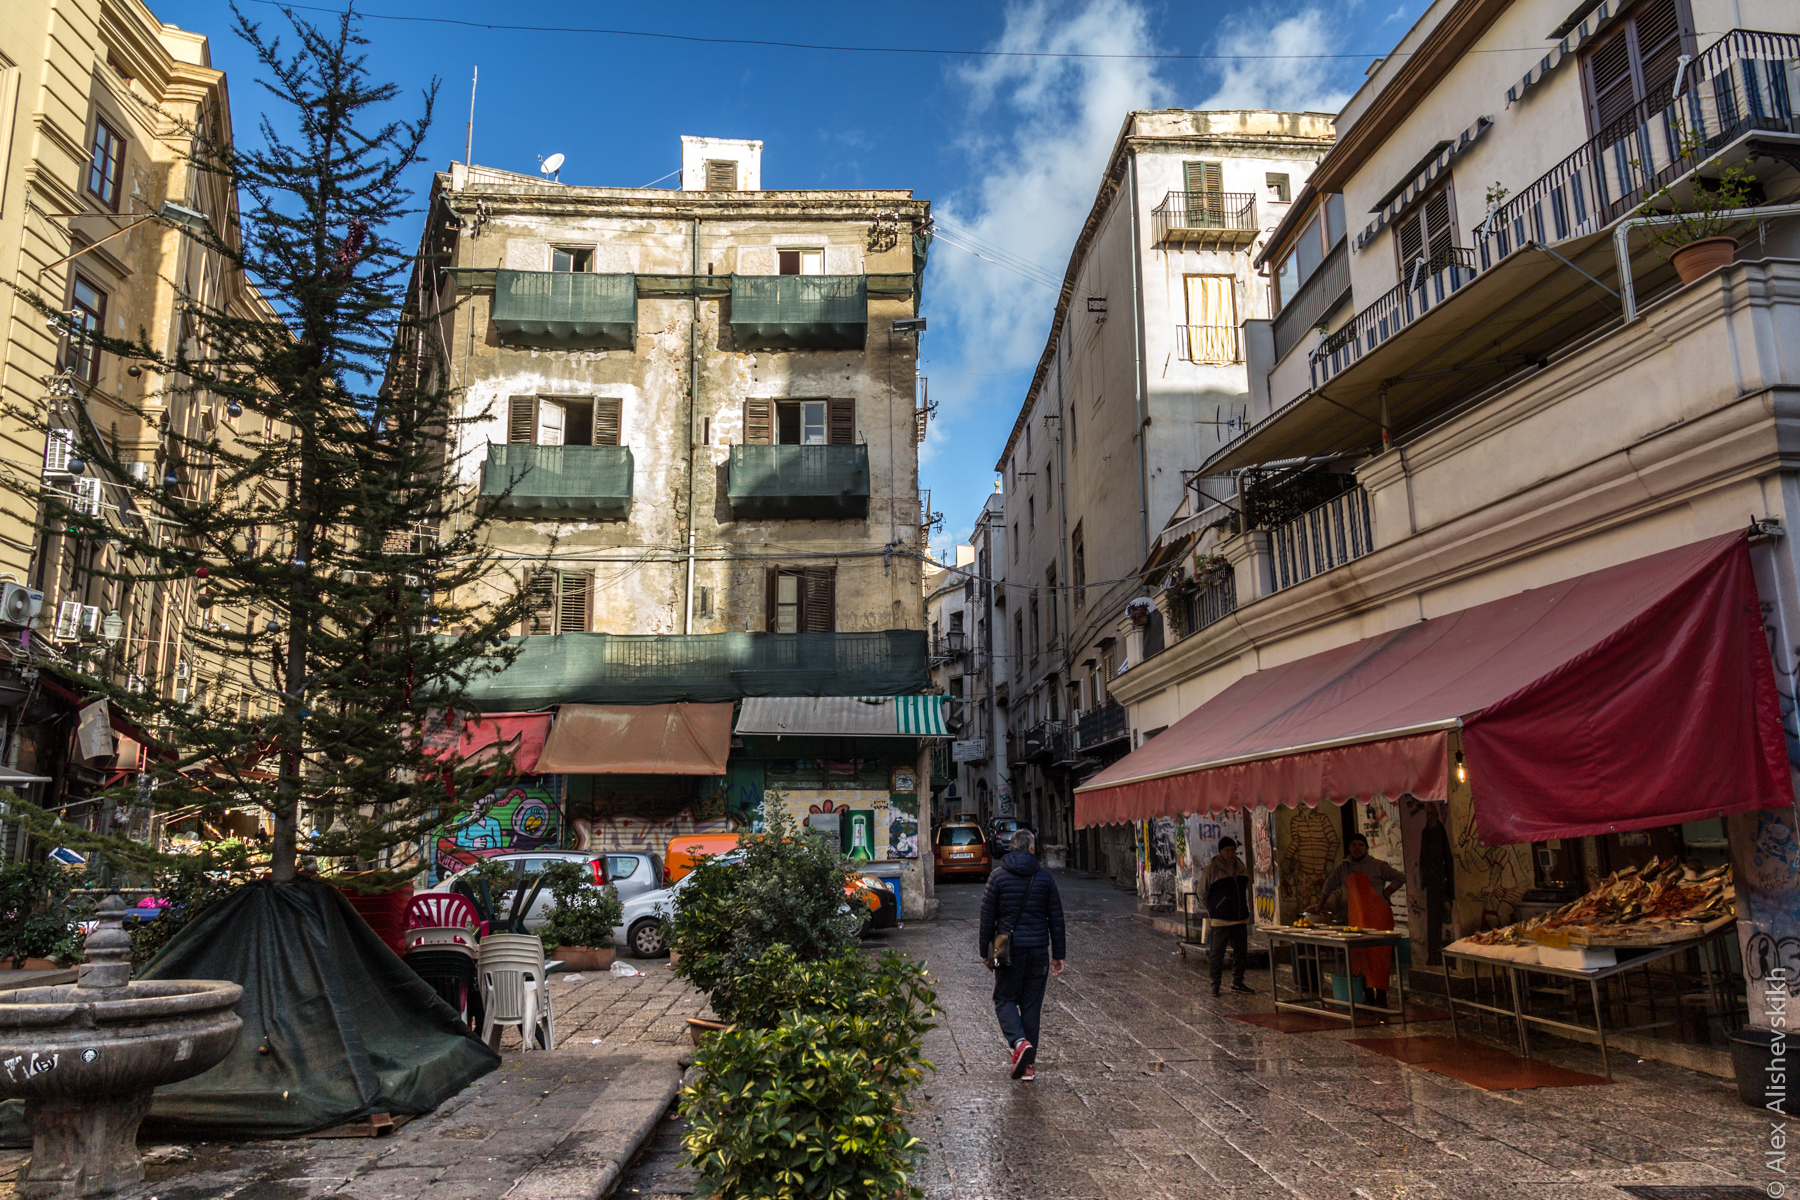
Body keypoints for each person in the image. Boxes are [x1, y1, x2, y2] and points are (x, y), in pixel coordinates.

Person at [979, 829, 1066, 1082]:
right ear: (1031, 849)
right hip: (1038, 949)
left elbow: (987, 917)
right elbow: (1056, 919)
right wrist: (1058, 954)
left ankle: (1018, 1043)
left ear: (1011, 849)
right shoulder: (1045, 878)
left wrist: (985, 952)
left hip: (1006, 948)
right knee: (1031, 1006)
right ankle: (1028, 1067)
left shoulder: (997, 877)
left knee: (1003, 998)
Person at [1307, 832, 1405, 1006]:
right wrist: (1320, 905)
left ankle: (1381, 996)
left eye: (1361, 844)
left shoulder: (1378, 865)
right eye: (1354, 844)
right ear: (1350, 848)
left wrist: (1388, 892)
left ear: (1366, 848)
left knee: (1379, 957)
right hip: (1357, 919)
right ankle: (1368, 995)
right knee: (1360, 957)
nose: (1357, 848)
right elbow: (1329, 885)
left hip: (1379, 918)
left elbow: (1400, 877)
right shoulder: (1343, 868)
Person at [1200, 837, 1254, 996]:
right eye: (1227, 850)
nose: (1231, 853)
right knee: (1217, 953)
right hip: (1220, 919)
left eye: (1233, 850)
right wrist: (1214, 908)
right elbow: (1202, 893)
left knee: (1241, 952)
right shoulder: (1212, 870)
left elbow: (1246, 885)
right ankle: (1215, 984)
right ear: (1220, 852)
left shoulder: (1241, 866)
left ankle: (1238, 982)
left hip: (1240, 917)